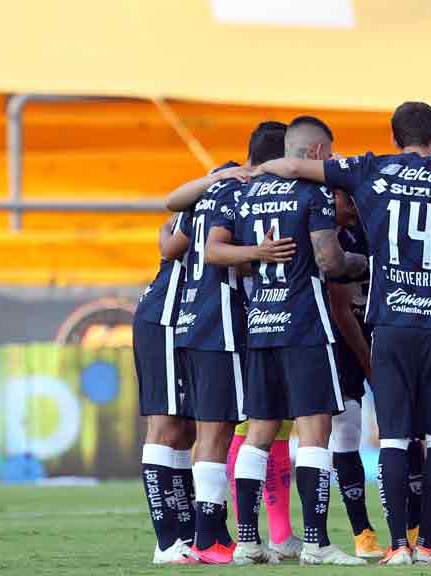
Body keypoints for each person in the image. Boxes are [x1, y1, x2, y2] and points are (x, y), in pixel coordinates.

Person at [254, 101, 431, 565]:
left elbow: (296, 164)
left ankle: (395, 547)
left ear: (393, 138)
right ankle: (427, 543)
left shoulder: (370, 168)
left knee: (393, 438)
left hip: (389, 323)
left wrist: (254, 173)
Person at [206, 116, 368, 566]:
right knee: (315, 431)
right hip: (304, 325)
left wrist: (256, 256)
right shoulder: (311, 191)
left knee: (258, 433)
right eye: (330, 154)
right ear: (316, 154)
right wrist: (369, 265)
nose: (331, 162)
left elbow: (218, 254)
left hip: (261, 323)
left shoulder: (244, 193)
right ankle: (315, 543)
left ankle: (247, 543)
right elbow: (329, 259)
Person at [166, 122, 304, 559]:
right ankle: (209, 537)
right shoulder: (245, 195)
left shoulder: (214, 189)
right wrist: (259, 255)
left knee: (215, 431)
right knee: (218, 431)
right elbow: (216, 251)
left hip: (193, 318)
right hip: (221, 322)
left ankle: (213, 533)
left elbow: (171, 241)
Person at [325, 187, 385, 559]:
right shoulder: (325, 234)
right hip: (342, 342)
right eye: (345, 198)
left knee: (403, 431)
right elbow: (341, 310)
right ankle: (362, 532)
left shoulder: (377, 227)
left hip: (384, 330)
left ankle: (410, 530)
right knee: (346, 432)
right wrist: (368, 361)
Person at [133, 213, 196, 564]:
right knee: (165, 426)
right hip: (166, 318)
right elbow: (170, 230)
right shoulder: (221, 193)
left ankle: (188, 534)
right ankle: (166, 542)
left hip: (191, 320)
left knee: (186, 430)